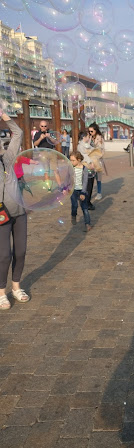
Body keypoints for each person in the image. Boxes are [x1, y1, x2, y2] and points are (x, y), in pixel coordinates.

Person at [0, 112, 30, 310]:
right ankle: (1, 292)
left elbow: (17, 133)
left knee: (21, 251)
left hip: (19, 212)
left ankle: (16, 287)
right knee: (4, 255)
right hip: (1, 216)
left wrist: (5, 117)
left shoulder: (8, 158)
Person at [69, 151, 93, 232]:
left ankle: (87, 224)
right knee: (74, 205)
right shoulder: (71, 168)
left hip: (82, 191)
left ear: (79, 160)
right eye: (70, 160)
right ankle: (73, 215)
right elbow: (67, 178)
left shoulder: (84, 169)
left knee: (85, 208)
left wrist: (83, 192)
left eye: (73, 160)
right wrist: (65, 188)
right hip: (73, 191)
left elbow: (85, 181)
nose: (71, 162)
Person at [77, 132, 96, 210]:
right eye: (88, 136)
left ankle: (87, 201)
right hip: (86, 167)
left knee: (90, 185)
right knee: (87, 185)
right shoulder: (80, 146)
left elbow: (94, 151)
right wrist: (90, 162)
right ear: (84, 137)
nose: (89, 137)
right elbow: (84, 156)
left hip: (91, 167)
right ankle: (86, 202)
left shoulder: (87, 145)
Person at [90, 125, 105, 200]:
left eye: (91, 131)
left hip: (97, 161)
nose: (90, 133)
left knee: (98, 178)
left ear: (96, 130)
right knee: (90, 178)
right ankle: (89, 193)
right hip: (90, 161)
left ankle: (99, 193)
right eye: (89, 131)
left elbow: (102, 151)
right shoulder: (90, 138)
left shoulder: (100, 138)